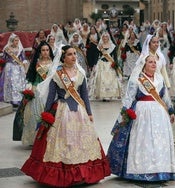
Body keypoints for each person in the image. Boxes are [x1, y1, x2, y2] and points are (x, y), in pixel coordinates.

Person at [21, 45, 111, 187]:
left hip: (79, 113)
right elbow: (51, 96)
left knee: (81, 141)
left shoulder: (80, 74)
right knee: (63, 141)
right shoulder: (57, 75)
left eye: (75, 54)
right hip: (62, 111)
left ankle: (83, 172)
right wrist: (46, 114)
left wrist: (89, 113)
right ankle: (63, 173)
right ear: (63, 57)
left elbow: (85, 96)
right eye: (70, 54)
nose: (74, 56)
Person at [107, 55, 175, 181]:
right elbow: (129, 98)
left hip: (159, 114)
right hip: (142, 114)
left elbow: (165, 97)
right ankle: (140, 170)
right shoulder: (137, 80)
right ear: (144, 65)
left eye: (155, 62)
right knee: (143, 140)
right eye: (150, 62)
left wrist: (171, 111)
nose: (153, 64)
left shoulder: (160, 78)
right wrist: (124, 114)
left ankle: (160, 169)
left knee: (158, 141)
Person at [13, 41, 54, 144]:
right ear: (40, 52)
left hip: (49, 90)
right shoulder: (36, 62)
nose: (45, 52)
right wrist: (29, 86)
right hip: (37, 90)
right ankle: (34, 139)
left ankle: (46, 139)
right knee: (35, 115)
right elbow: (31, 75)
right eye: (43, 50)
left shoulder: (53, 63)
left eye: (47, 50)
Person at [88, 32, 122, 101]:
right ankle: (102, 95)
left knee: (110, 80)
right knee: (101, 79)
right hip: (101, 64)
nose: (105, 38)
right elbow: (96, 56)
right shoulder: (99, 46)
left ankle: (109, 95)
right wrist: (94, 64)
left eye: (106, 37)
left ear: (108, 38)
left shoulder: (112, 46)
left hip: (110, 64)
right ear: (102, 38)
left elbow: (115, 57)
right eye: (103, 37)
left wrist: (116, 64)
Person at [0, 33, 27, 107]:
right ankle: (11, 99)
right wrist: (9, 60)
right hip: (10, 68)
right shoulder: (7, 49)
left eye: (18, 40)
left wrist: (24, 62)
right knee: (10, 83)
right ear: (12, 41)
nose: (17, 42)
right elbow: (4, 58)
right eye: (15, 40)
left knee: (18, 83)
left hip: (18, 68)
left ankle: (18, 99)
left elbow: (23, 57)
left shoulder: (20, 48)